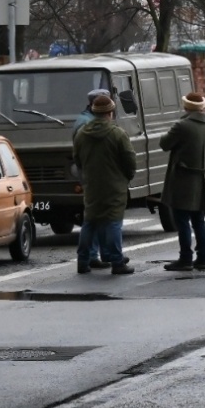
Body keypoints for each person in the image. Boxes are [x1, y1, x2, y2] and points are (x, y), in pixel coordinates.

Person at [72, 93, 137, 275]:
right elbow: (129, 160)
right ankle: (117, 261)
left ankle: (83, 261)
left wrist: (86, 177)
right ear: (110, 112)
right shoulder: (117, 134)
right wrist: (126, 176)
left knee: (90, 222)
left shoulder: (82, 134)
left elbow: (77, 159)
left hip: (92, 185)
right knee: (113, 222)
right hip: (114, 185)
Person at [160, 92, 205, 273]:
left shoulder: (182, 126)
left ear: (186, 107)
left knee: (182, 219)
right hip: (200, 179)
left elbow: (164, 144)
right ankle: (203, 258)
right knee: (198, 220)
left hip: (182, 179)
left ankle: (185, 258)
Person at [72, 88, 111, 268]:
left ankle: (97, 255)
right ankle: (92, 256)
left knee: (96, 219)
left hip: (90, 175)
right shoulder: (87, 124)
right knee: (94, 219)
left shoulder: (86, 120)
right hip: (95, 176)